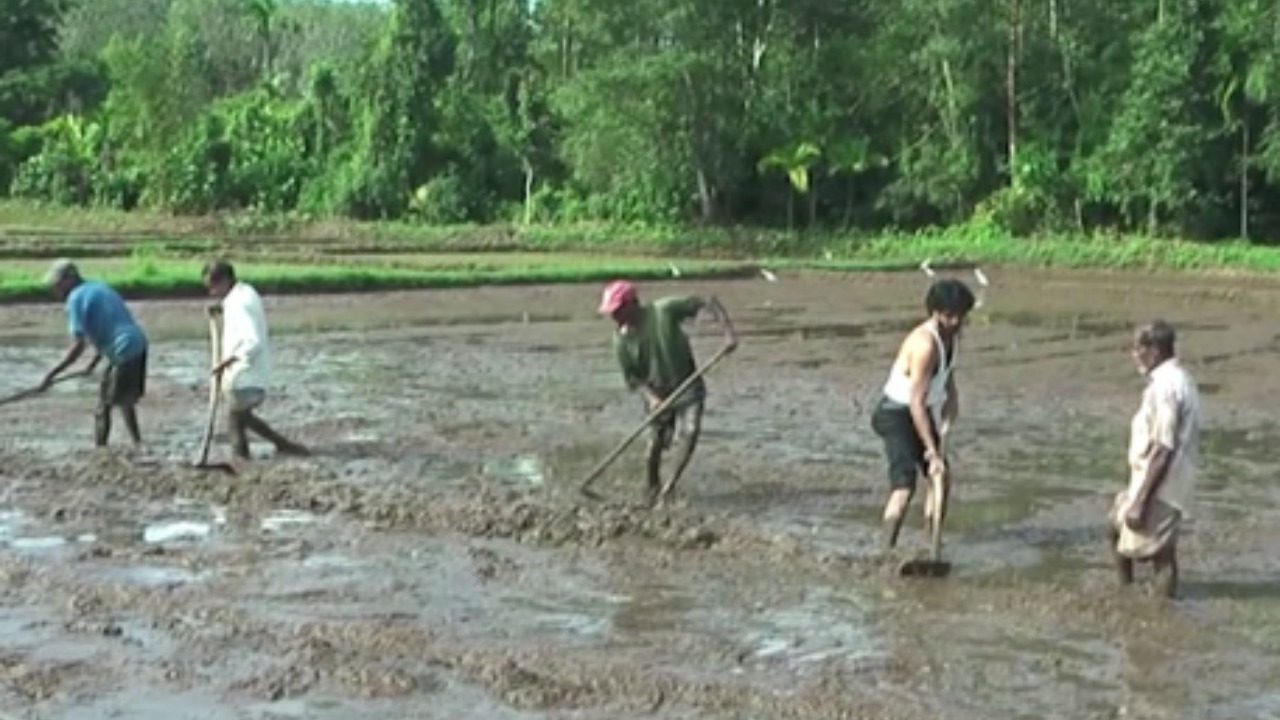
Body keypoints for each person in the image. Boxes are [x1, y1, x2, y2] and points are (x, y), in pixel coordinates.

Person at [598, 280, 738, 507]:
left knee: (690, 431)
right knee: (653, 445)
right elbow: (634, 380)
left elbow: (707, 301)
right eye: (613, 313)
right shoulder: (620, 341)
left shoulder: (663, 311)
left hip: (687, 382)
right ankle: (651, 487)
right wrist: (652, 399)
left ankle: (669, 487)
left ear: (633, 304)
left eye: (618, 310)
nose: (615, 317)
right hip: (657, 391)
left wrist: (728, 334)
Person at [870, 278, 976, 551]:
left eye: (960, 316)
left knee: (941, 477)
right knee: (904, 486)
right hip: (896, 413)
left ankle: (933, 544)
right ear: (936, 312)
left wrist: (951, 402)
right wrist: (931, 450)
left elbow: (947, 373)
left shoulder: (952, 337)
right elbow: (916, 401)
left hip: (919, 411)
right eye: (950, 315)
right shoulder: (924, 344)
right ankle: (885, 549)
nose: (955, 322)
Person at [1108, 320, 1200, 599]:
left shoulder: (1166, 388)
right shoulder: (1178, 379)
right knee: (1113, 523)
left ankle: (1162, 607)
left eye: (1137, 348)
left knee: (1160, 555)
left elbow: (1163, 447)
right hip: (1158, 479)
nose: (1133, 355)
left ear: (1154, 350)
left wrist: (1142, 501)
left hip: (1160, 484)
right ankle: (1127, 591)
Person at [201, 260, 309, 460]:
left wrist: (226, 362)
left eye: (212, 287)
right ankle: (283, 445)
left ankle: (241, 459)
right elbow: (238, 312)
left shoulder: (239, 303)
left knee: (235, 419)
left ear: (224, 281)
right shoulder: (243, 293)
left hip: (246, 375)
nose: (211, 292)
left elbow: (253, 341)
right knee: (243, 417)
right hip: (250, 374)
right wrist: (222, 308)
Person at [39, 259, 149, 448]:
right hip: (138, 342)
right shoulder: (99, 287)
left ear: (69, 280)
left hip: (122, 348)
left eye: (57, 285)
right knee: (124, 400)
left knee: (105, 405)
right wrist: (92, 364)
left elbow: (78, 346)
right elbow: (106, 330)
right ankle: (137, 442)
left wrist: (52, 374)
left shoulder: (75, 299)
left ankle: (102, 447)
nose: (55, 290)